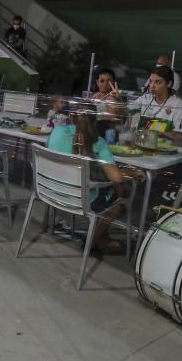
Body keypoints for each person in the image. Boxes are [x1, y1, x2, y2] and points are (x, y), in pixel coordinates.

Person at [47, 108, 130, 253]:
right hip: (80, 200)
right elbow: (116, 177)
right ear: (95, 120)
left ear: (70, 116)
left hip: (51, 192)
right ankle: (91, 243)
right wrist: (133, 172)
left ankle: (102, 239)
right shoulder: (97, 141)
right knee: (120, 198)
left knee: (112, 192)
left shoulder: (57, 131)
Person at [128, 66, 182, 132]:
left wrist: (155, 130)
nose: (152, 86)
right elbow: (125, 110)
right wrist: (118, 100)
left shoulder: (177, 104)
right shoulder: (145, 98)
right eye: (150, 82)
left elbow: (178, 132)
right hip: (141, 140)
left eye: (158, 82)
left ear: (169, 84)